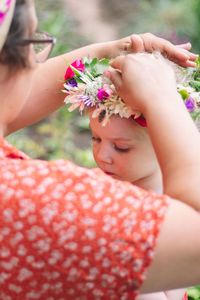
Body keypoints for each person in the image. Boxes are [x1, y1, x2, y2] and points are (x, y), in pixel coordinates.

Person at [1, 0, 200, 299]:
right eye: (34, 42)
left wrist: (108, 53)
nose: (37, 61)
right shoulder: (32, 203)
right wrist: (161, 99)